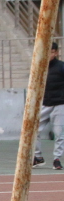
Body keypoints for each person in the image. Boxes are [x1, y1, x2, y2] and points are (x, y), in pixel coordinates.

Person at [34, 41, 64, 170]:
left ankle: (57, 159)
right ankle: (37, 157)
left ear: (56, 53)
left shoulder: (61, 66)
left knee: (59, 133)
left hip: (60, 103)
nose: (49, 55)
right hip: (45, 103)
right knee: (33, 130)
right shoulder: (39, 66)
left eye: (52, 52)